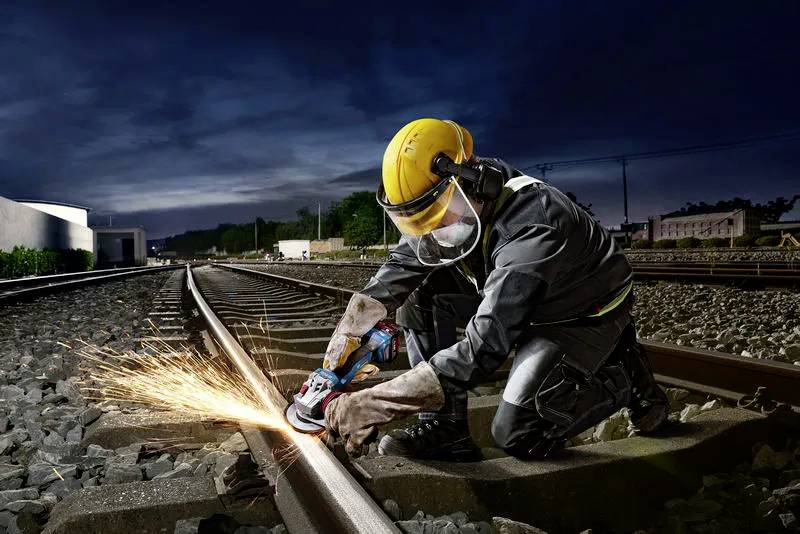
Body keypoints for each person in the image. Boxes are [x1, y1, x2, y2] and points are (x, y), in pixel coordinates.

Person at [323, 118, 668, 461]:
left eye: (438, 216)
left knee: (518, 435)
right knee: (419, 291)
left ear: (472, 182)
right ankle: (446, 430)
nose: (432, 231)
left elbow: (483, 349)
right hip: (519, 293)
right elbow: (396, 273)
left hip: (580, 312)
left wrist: (374, 404)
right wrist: (339, 351)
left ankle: (624, 377)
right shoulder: (456, 202)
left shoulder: (533, 225)